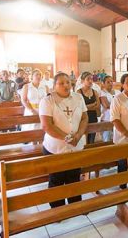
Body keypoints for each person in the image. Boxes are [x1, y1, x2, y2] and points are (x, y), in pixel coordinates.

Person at [39, 72, 88, 208]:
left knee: (74, 177)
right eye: (61, 83)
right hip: (55, 148)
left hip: (76, 146)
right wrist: (67, 138)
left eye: (68, 82)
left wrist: (78, 135)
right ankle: (57, 208)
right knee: (57, 179)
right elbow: (46, 125)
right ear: (54, 86)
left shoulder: (78, 97)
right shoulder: (47, 100)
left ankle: (75, 206)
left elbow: (84, 118)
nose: (66, 85)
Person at [77, 71, 100, 144]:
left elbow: (98, 106)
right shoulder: (79, 92)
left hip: (93, 117)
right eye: (88, 79)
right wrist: (91, 105)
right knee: (84, 140)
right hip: (83, 118)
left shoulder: (95, 92)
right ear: (83, 80)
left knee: (92, 140)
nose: (90, 81)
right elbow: (79, 108)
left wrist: (86, 107)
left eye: (91, 79)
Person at [100, 75, 120, 141]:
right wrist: (118, 105)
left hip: (118, 118)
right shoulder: (102, 92)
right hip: (107, 118)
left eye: (111, 81)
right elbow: (106, 105)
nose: (110, 83)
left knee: (118, 138)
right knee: (107, 139)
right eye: (108, 82)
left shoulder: (118, 92)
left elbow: (123, 104)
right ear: (103, 83)